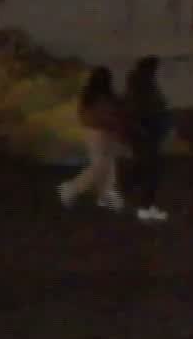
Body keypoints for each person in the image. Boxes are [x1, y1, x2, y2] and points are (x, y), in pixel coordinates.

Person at [57, 66, 125, 211]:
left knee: (107, 165)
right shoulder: (105, 96)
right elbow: (112, 114)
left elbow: (85, 116)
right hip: (100, 132)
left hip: (98, 132)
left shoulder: (90, 95)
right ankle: (72, 188)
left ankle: (105, 195)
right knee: (100, 166)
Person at [124, 56, 172, 223]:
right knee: (150, 169)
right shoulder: (142, 86)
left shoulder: (138, 84)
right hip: (146, 130)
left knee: (145, 165)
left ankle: (132, 190)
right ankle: (146, 205)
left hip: (145, 130)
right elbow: (141, 109)